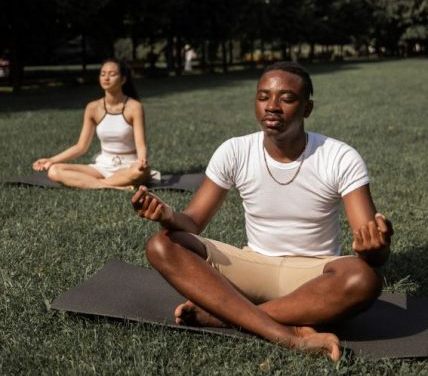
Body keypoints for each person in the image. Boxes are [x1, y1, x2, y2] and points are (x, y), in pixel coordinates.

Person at [131, 61, 393, 360]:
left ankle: (223, 316)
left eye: (287, 98)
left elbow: (371, 247)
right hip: (251, 266)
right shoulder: (235, 151)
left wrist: (376, 249)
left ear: (307, 108)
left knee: (363, 278)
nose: (272, 106)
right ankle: (287, 335)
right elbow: (192, 222)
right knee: (161, 244)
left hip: (314, 276)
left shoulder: (339, 157)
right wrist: (167, 216)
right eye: (263, 96)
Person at [33, 58, 151, 189]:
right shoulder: (93, 108)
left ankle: (94, 184)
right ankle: (116, 186)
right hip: (102, 167)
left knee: (138, 173)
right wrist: (51, 160)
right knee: (54, 170)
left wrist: (141, 161)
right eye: (103, 74)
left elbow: (141, 145)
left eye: (112, 74)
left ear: (123, 79)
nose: (106, 78)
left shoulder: (134, 107)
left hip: (129, 166)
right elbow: (81, 147)